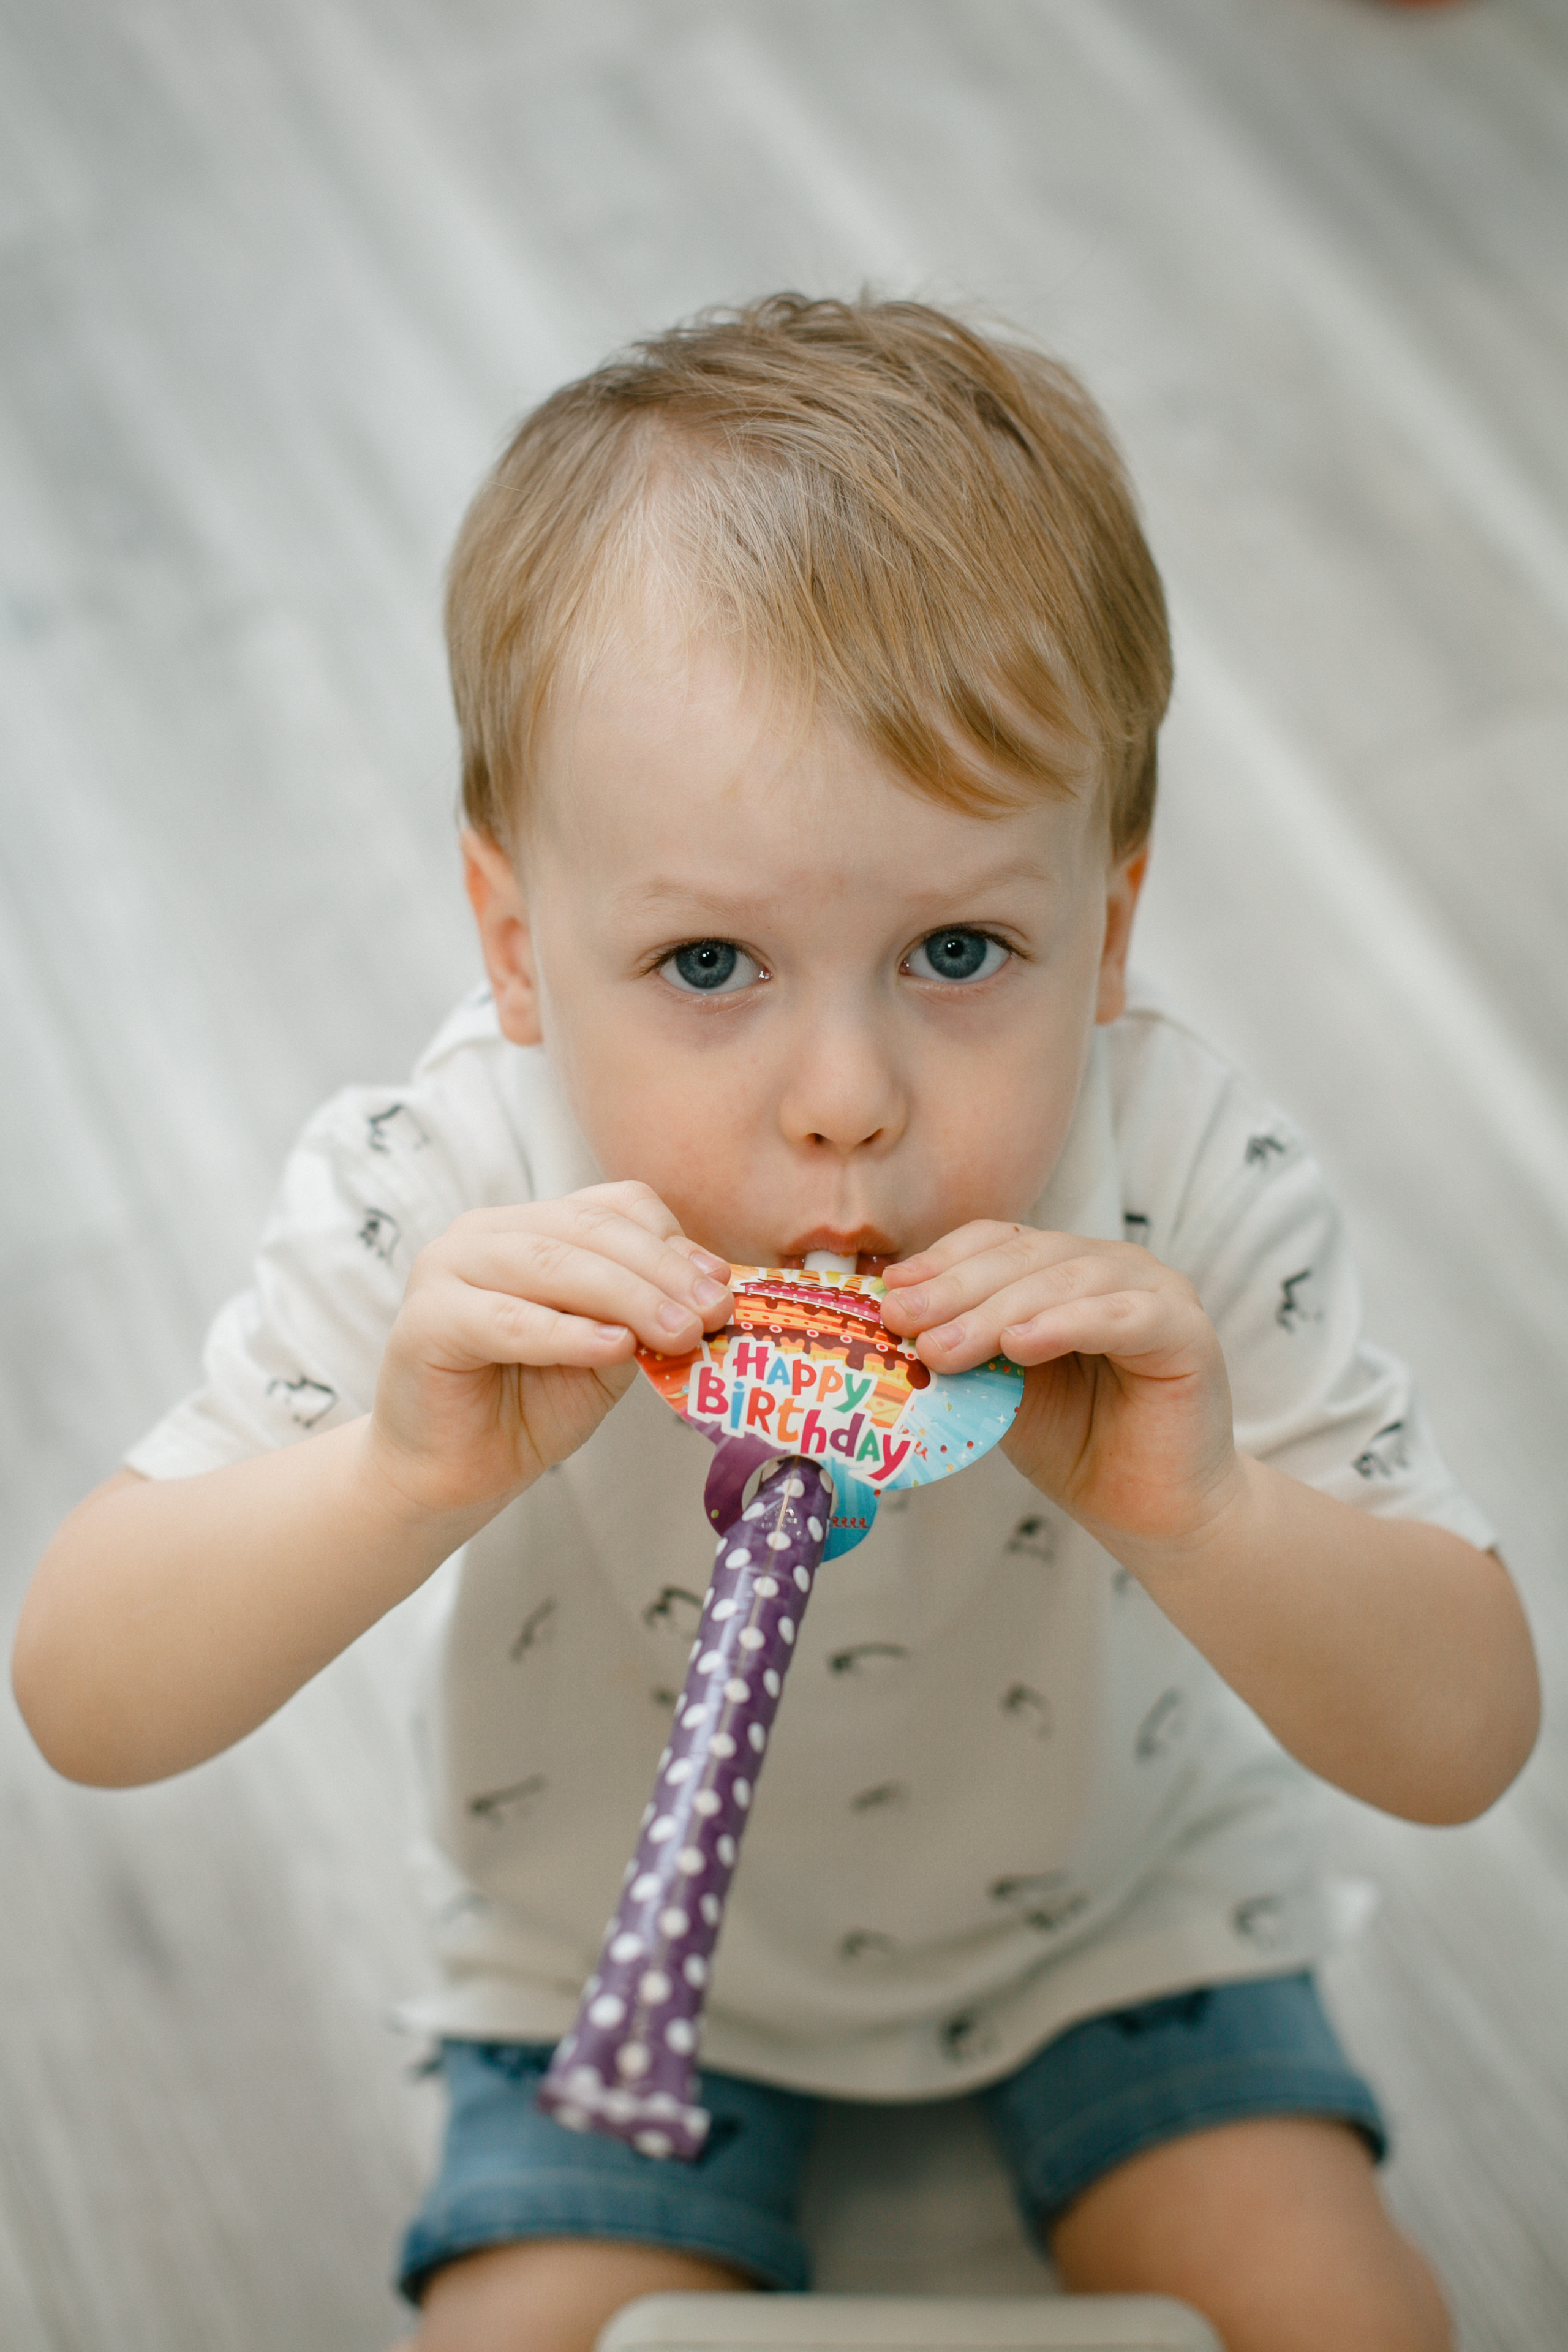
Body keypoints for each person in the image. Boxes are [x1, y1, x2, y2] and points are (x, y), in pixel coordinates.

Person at [13, 296, 1537, 2352]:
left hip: (1118, 1927)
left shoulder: (1178, 1178)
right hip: (595, 1959)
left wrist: (1210, 1514)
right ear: (518, 942)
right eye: (711, 959)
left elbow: (1466, 1742)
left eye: (962, 948)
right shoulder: (459, 1181)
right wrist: (400, 1473)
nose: (847, 1095)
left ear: (1114, 920)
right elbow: (90, 1697)